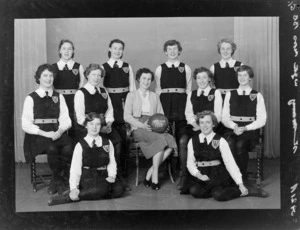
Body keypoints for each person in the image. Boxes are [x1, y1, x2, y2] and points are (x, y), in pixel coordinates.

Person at [74, 64, 130, 190]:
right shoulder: (81, 93)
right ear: (87, 75)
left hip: (104, 125)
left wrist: (109, 123)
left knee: (117, 141)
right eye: (93, 74)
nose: (96, 78)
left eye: (99, 75)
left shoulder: (104, 92)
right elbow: (80, 117)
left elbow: (109, 111)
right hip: (88, 127)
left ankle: (115, 175)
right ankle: (96, 177)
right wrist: (97, 128)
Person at [48, 112, 125, 206]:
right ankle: (69, 196)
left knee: (119, 189)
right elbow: (75, 169)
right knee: (104, 189)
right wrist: (73, 188)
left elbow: (112, 162)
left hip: (103, 175)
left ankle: (79, 195)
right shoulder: (80, 145)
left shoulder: (107, 143)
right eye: (91, 124)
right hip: (87, 177)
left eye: (97, 124)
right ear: (86, 126)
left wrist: (112, 175)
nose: (94, 127)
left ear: (101, 126)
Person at [22, 64, 73, 195]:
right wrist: (45, 133)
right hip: (38, 135)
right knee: (52, 148)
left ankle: (56, 180)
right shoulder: (31, 98)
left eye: (51, 76)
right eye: (45, 75)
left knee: (69, 147)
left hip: (56, 132)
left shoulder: (59, 96)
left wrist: (60, 131)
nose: (48, 78)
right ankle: (59, 180)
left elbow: (66, 119)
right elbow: (26, 124)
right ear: (38, 78)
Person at [124, 68, 177, 190]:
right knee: (160, 139)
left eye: (149, 79)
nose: (146, 81)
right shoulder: (131, 95)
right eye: (144, 78)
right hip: (138, 127)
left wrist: (162, 125)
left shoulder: (155, 96)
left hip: (155, 125)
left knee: (170, 140)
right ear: (138, 79)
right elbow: (126, 116)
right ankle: (155, 178)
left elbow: (161, 114)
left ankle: (151, 171)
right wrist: (142, 125)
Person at [181, 111, 248, 201]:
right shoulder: (192, 141)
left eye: (208, 122)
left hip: (217, 174)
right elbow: (190, 163)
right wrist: (199, 175)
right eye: (202, 123)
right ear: (199, 125)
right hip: (202, 174)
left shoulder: (220, 140)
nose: (205, 126)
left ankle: (239, 191)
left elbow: (230, 163)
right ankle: (213, 190)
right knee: (194, 191)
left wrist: (240, 184)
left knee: (218, 195)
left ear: (213, 124)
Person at [155, 39, 192, 189]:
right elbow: (158, 90)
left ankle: (183, 172)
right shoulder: (160, 68)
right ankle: (165, 169)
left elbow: (189, 90)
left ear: (179, 51)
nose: (172, 52)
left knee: (182, 137)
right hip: (165, 104)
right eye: (169, 49)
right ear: (165, 52)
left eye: (175, 49)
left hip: (181, 103)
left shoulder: (186, 68)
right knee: (165, 136)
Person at [179, 67, 223, 190]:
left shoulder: (216, 93)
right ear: (195, 80)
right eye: (198, 78)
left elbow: (218, 115)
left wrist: (206, 126)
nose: (201, 80)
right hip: (194, 126)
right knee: (183, 140)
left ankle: (210, 173)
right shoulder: (191, 94)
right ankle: (184, 175)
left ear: (209, 79)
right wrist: (195, 124)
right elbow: (188, 114)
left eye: (204, 77)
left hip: (211, 127)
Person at [222, 65, 267, 183]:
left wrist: (246, 128)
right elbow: (224, 117)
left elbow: (262, 119)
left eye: (245, 75)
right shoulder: (230, 94)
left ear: (250, 78)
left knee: (240, 144)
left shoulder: (257, 95)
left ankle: (242, 176)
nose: (242, 78)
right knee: (229, 143)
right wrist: (234, 127)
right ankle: (233, 174)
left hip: (250, 132)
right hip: (232, 130)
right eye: (239, 75)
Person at [102, 39, 136, 177]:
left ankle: (123, 172)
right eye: (115, 48)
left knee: (124, 138)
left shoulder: (127, 66)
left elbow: (132, 88)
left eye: (120, 49)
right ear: (109, 49)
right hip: (110, 104)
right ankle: (111, 170)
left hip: (124, 103)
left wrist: (132, 108)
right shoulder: (103, 67)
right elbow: (101, 88)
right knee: (111, 138)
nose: (117, 51)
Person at [52, 39, 85, 141]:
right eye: (64, 49)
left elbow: (81, 85)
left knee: (74, 126)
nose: (67, 51)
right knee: (60, 124)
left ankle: (73, 153)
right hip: (58, 99)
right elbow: (50, 86)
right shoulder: (53, 67)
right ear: (59, 51)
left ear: (73, 51)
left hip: (74, 99)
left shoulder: (78, 67)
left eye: (70, 49)